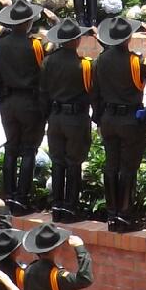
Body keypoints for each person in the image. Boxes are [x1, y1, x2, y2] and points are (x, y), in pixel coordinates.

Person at [90, 15, 146, 232]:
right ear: (128, 38)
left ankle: (112, 214)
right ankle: (125, 215)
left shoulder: (99, 61)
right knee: (128, 168)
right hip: (129, 119)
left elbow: (95, 93)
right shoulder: (136, 62)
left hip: (108, 118)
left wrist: (98, 118)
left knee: (111, 166)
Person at [0, 0, 45, 213]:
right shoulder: (35, 45)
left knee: (11, 147)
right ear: (28, 22)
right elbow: (43, 75)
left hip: (8, 101)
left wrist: (2, 98)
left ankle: (9, 194)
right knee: (29, 149)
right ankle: (22, 197)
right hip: (30, 101)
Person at [40, 17, 93, 223]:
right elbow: (91, 93)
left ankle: (57, 206)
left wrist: (47, 115)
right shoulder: (84, 65)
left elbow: (43, 92)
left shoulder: (48, 61)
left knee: (58, 162)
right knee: (74, 163)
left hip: (55, 117)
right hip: (75, 118)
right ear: (76, 41)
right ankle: (70, 208)